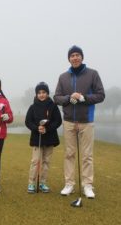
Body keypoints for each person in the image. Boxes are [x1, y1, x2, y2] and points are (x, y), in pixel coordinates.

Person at [54, 45, 105, 199]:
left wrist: (84, 98)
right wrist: (69, 98)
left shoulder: (92, 74)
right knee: (69, 154)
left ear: (82, 57)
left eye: (77, 55)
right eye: (72, 55)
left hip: (86, 120)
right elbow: (57, 98)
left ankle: (87, 185)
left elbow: (101, 95)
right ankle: (69, 184)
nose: (75, 58)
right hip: (69, 120)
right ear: (69, 59)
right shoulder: (63, 77)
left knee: (87, 155)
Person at [25, 82, 62, 193]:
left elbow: (58, 121)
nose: (41, 95)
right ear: (36, 94)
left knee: (46, 161)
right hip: (37, 138)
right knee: (35, 161)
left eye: (44, 92)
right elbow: (28, 122)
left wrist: (47, 128)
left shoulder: (53, 105)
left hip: (50, 137)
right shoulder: (32, 107)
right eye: (39, 93)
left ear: (47, 93)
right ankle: (31, 183)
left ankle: (42, 183)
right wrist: (37, 128)